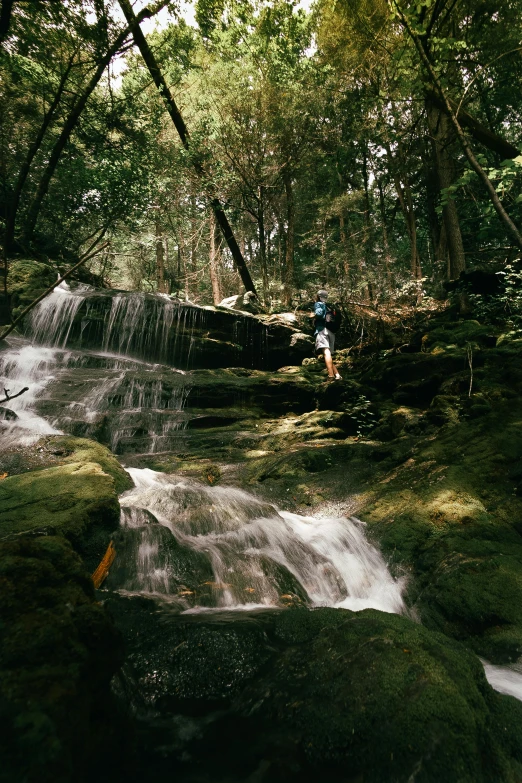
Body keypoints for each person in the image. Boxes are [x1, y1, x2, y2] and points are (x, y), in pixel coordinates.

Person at [311, 289, 342, 380]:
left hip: (322, 330)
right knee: (328, 354)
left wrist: (313, 316)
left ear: (318, 297)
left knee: (325, 352)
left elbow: (319, 314)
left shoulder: (318, 304)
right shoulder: (330, 306)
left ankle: (331, 376)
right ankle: (337, 375)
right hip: (331, 332)